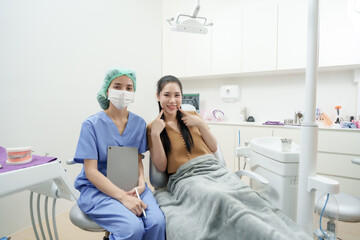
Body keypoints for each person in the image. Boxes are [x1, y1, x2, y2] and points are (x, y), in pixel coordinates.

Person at [147, 75, 312, 240]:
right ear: (158, 96)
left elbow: (213, 147)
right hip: (186, 177)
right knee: (218, 197)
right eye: (167, 95)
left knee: (248, 197)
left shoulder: (192, 115)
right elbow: (161, 167)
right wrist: (155, 134)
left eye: (177, 95)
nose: (172, 100)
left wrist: (200, 124)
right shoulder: (153, 127)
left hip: (214, 170)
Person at [73, 68, 166, 240]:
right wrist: (123, 197)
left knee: (157, 223)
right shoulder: (91, 125)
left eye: (129, 88)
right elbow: (91, 171)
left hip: (132, 185)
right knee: (132, 228)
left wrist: (141, 184)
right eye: (118, 86)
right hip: (98, 190)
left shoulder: (138, 124)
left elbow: (137, 160)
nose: (124, 92)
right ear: (107, 90)